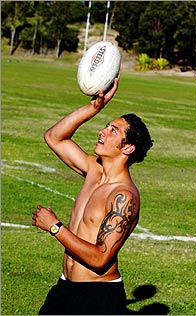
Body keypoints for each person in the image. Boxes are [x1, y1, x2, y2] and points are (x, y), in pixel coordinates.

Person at [32, 77, 153, 315]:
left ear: (127, 148)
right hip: (65, 286)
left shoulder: (123, 196)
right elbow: (54, 137)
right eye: (106, 126)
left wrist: (55, 227)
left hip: (97, 296)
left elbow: (100, 258)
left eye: (113, 131)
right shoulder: (93, 170)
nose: (102, 131)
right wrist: (94, 108)